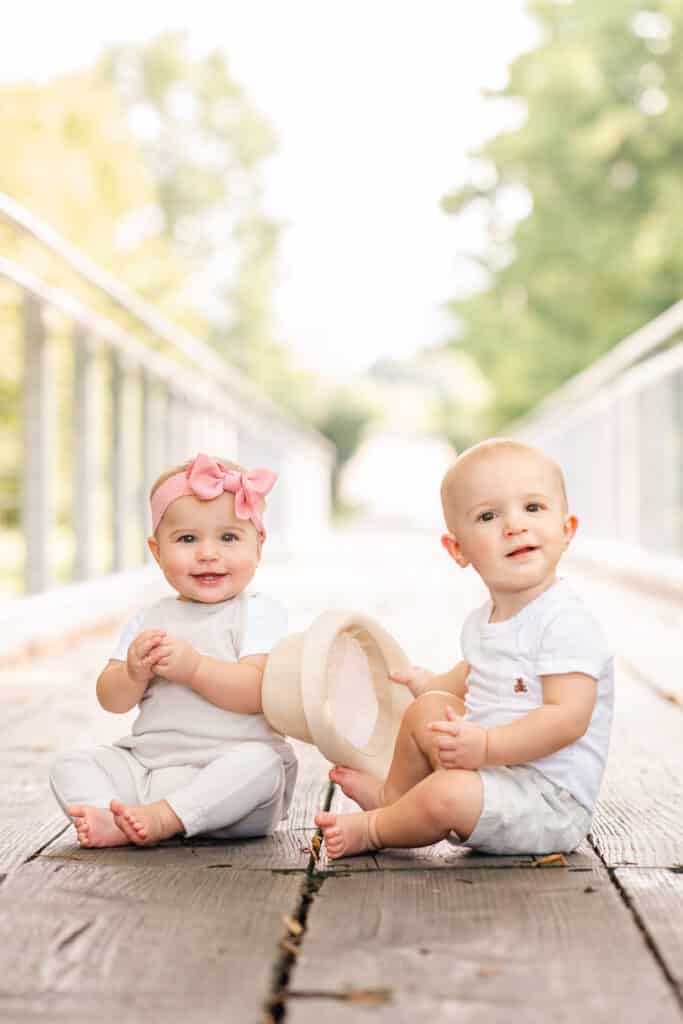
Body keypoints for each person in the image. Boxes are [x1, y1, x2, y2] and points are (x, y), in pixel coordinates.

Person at [315, 439, 614, 859]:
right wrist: (431, 684)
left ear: (567, 530)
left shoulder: (566, 622)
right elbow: (476, 671)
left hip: (547, 804)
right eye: (488, 516)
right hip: (494, 772)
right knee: (429, 710)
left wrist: (487, 747)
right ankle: (393, 797)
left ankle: (376, 828)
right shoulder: (485, 619)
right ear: (458, 550)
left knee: (447, 791)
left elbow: (568, 719)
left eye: (533, 508)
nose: (515, 526)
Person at [50, 453, 297, 848]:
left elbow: (256, 693)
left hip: (230, 784)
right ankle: (112, 816)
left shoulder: (260, 613)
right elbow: (111, 701)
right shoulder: (150, 619)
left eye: (229, 537)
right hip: (150, 769)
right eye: (187, 539)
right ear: (157, 550)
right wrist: (132, 673)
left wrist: (195, 667)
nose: (207, 553)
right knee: (71, 763)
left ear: (258, 544)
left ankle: (164, 818)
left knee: (263, 765)